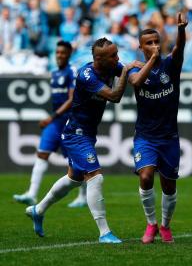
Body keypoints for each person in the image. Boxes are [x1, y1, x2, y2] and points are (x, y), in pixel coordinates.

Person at [25, 37, 138, 243]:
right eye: (113, 55)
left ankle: (38, 209)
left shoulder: (112, 66)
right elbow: (114, 96)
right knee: (95, 176)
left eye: (116, 54)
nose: (118, 58)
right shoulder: (86, 75)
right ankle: (104, 232)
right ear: (98, 59)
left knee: (74, 179)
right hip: (76, 134)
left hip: (88, 133)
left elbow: (132, 77)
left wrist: (146, 67)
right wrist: (125, 71)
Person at [127, 12, 188, 244]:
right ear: (141, 47)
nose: (154, 46)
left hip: (169, 137)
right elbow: (135, 83)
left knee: (169, 185)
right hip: (145, 136)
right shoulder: (135, 69)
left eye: (156, 42)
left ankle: (165, 225)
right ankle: (151, 224)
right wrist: (151, 60)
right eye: (149, 43)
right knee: (145, 176)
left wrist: (181, 30)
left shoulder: (171, 66)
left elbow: (179, 50)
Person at [13, 40, 87, 209]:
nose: (59, 55)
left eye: (62, 53)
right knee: (42, 153)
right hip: (56, 122)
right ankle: (31, 194)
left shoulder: (72, 72)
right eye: (57, 52)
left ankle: (82, 196)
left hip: (69, 121)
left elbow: (72, 99)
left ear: (69, 54)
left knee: (76, 160)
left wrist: (51, 116)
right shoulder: (54, 73)